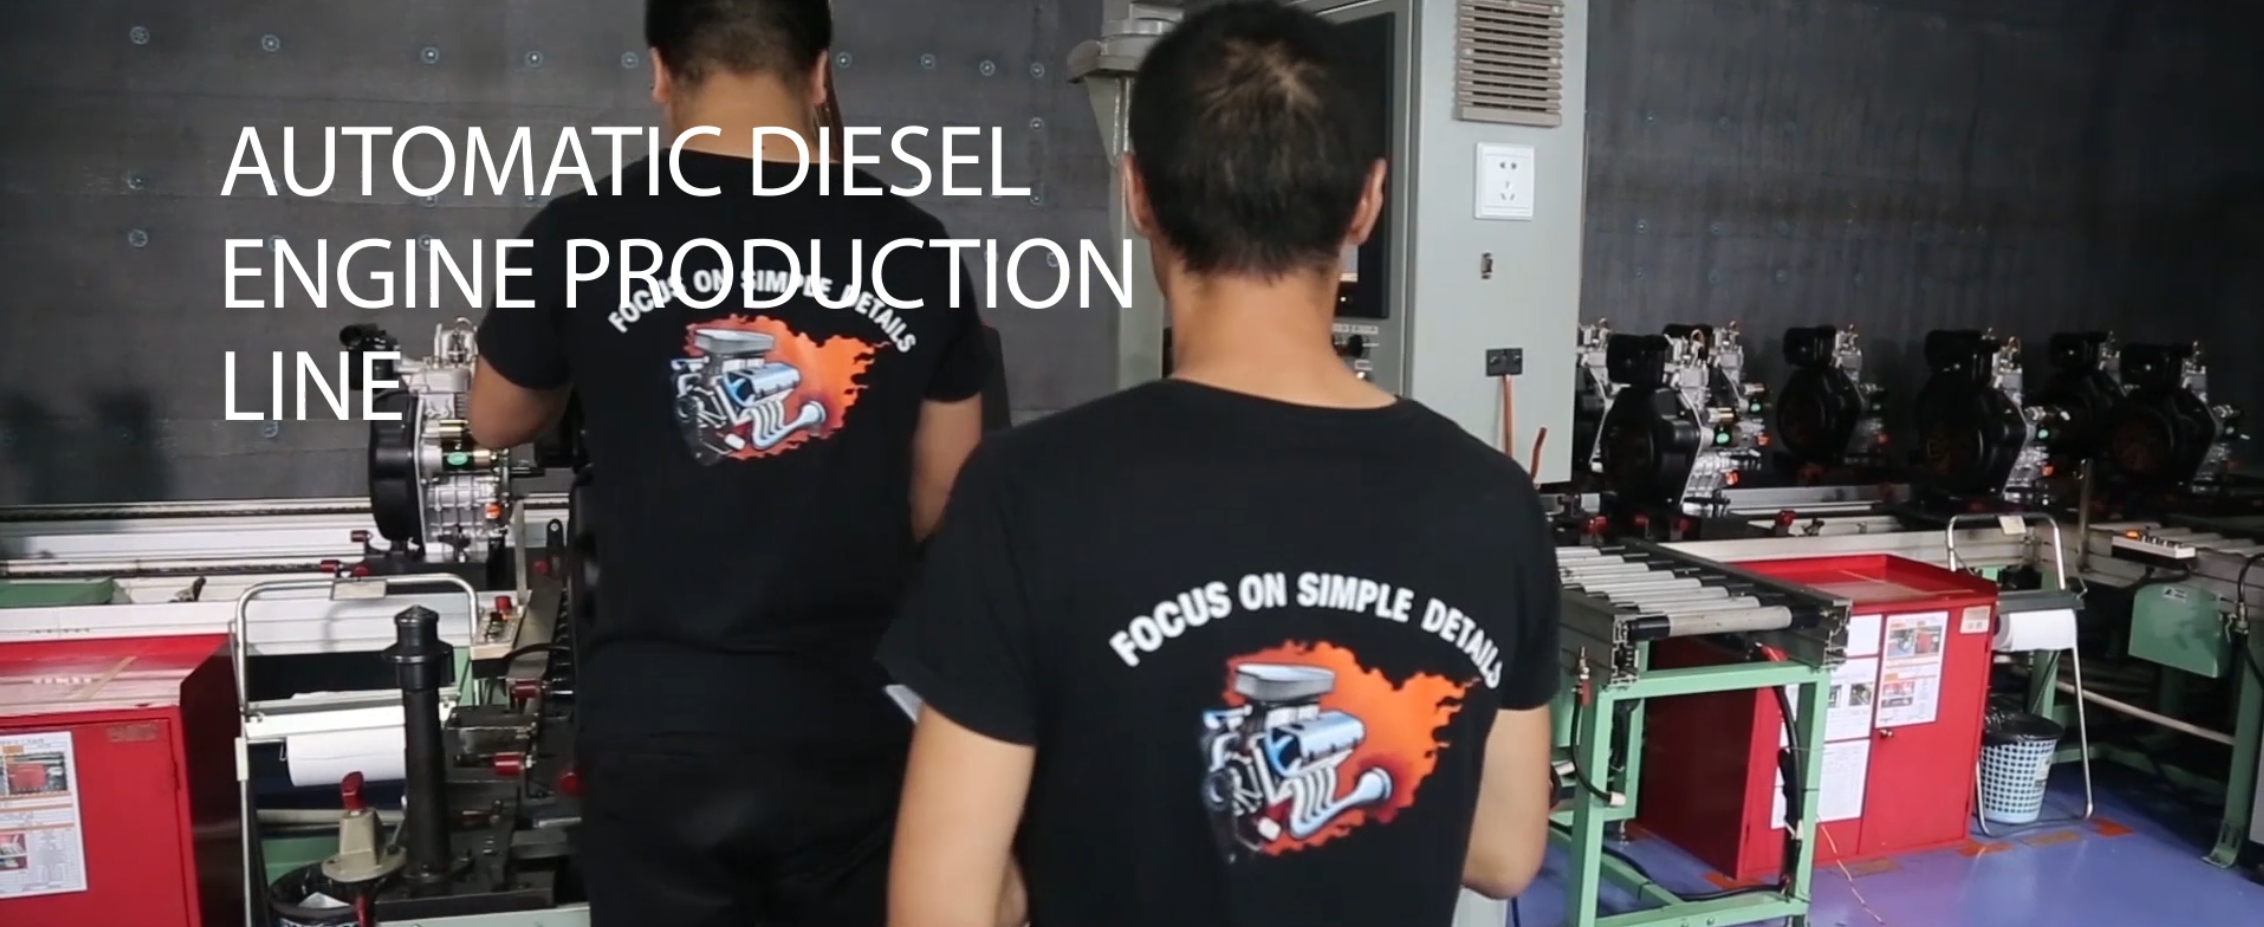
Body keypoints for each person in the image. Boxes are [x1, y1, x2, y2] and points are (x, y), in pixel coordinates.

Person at [876, 3, 1560, 926]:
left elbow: (940, 908)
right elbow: (1506, 851)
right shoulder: (1492, 501)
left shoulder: (1027, 490)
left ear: (1137, 193)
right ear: (1368, 201)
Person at [465, 1, 992, 924]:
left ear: (660, 72)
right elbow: (948, 481)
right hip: (848, 710)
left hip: (660, 716)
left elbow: (494, 418)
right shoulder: (914, 245)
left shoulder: (577, 232)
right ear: (820, 74)